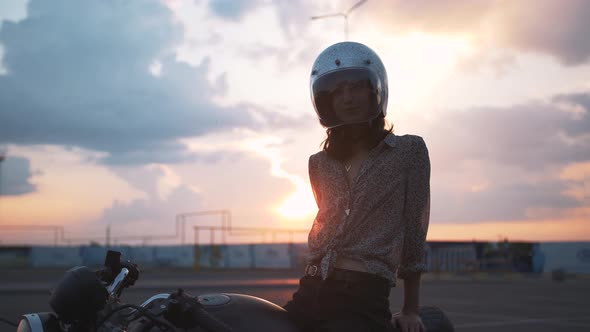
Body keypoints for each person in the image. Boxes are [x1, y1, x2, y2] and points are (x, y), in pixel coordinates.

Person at [283, 41, 431, 332]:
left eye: (356, 87)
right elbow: (329, 225)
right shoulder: (318, 163)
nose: (348, 98)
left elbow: (415, 229)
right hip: (311, 288)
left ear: (375, 89)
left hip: (362, 294)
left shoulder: (408, 151)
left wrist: (411, 309)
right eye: (337, 91)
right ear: (325, 100)